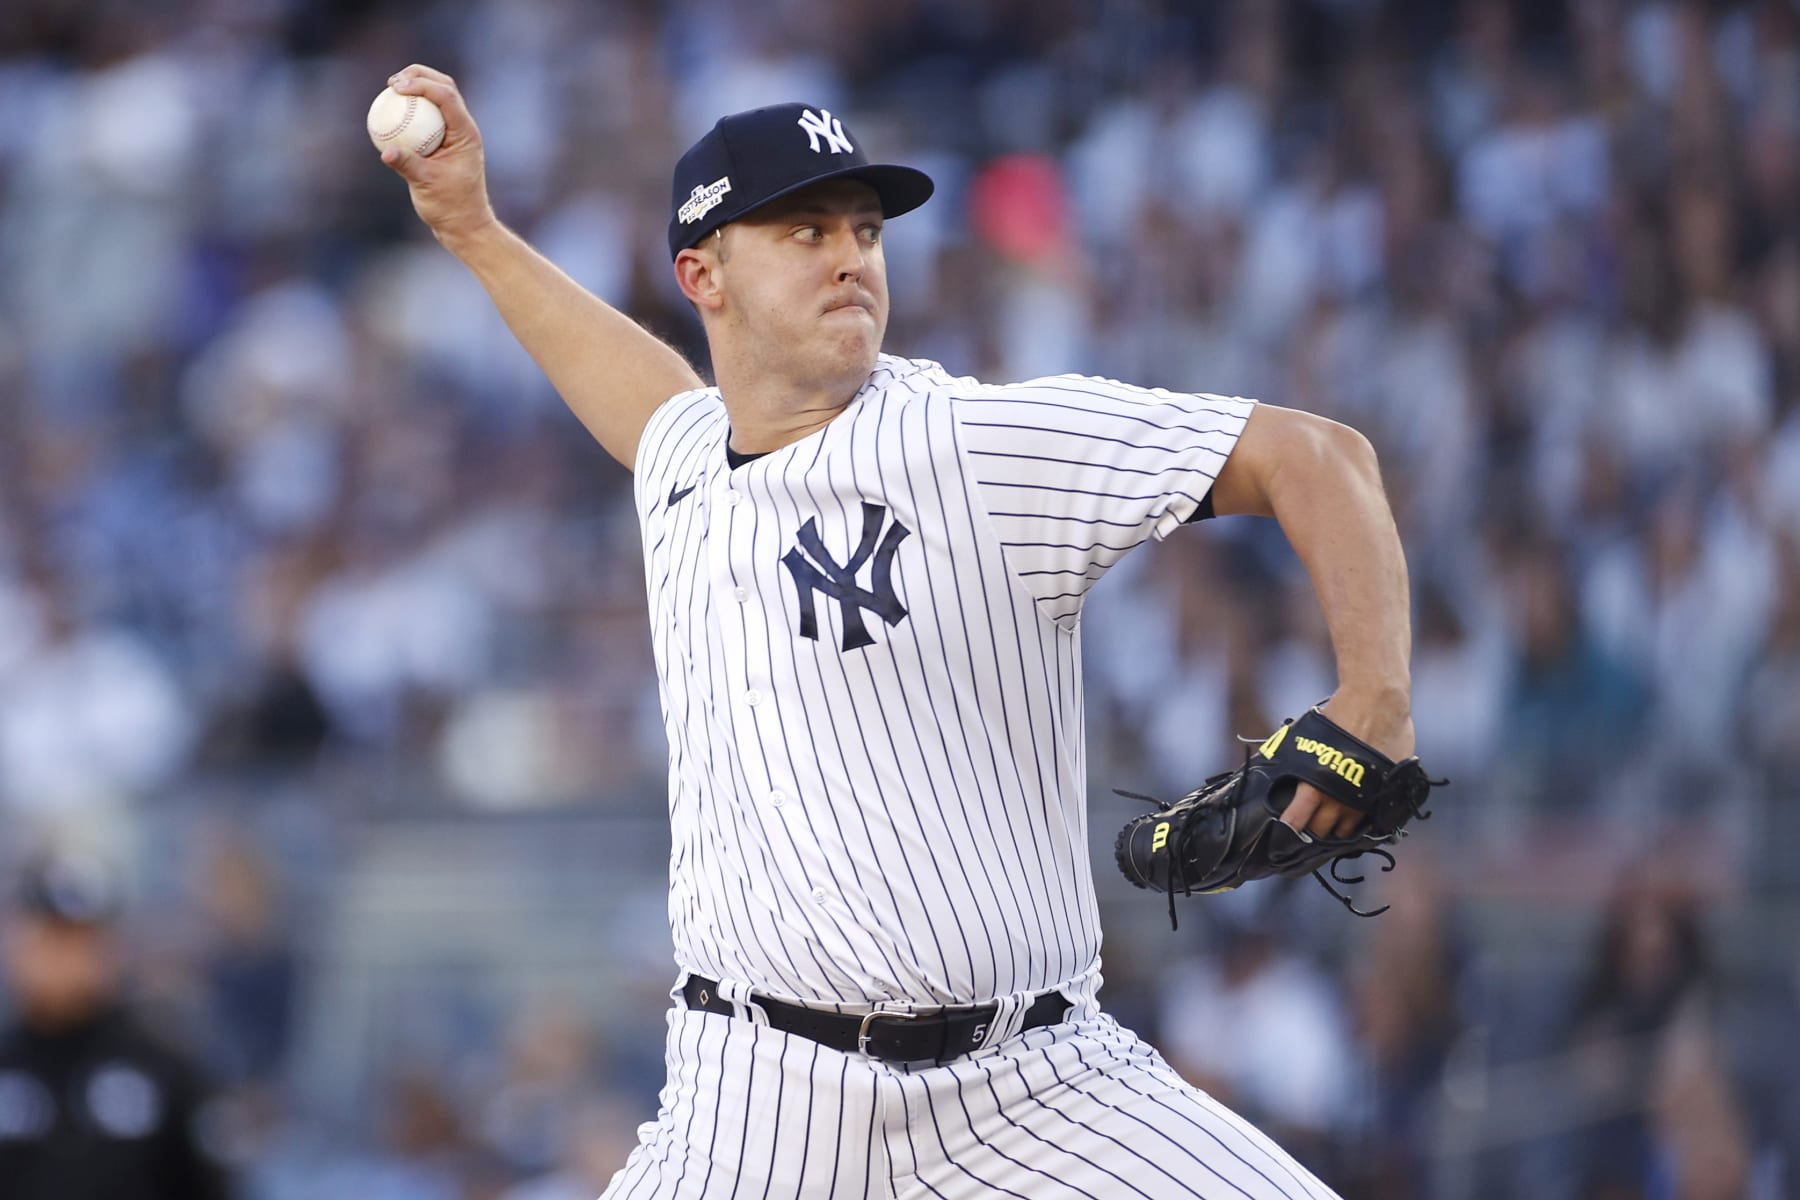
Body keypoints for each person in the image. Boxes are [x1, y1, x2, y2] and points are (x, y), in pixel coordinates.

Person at [380, 64, 1416, 1199]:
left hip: (1036, 1089)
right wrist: (474, 230)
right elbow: (646, 397)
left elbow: (1318, 456)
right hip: (752, 1104)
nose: (850, 255)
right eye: (804, 228)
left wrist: (1376, 698)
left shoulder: (970, 447)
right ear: (701, 275)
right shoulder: (688, 463)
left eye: (866, 229)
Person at [0, 853, 234, 1200]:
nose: (66, 958)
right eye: (50, 938)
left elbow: (210, 1184)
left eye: (83, 939)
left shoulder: (165, 1068)